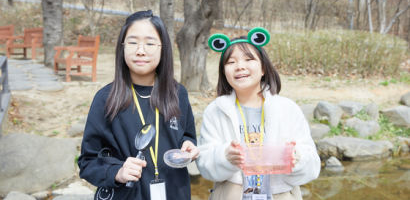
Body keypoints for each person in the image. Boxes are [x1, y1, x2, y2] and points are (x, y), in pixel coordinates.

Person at [78, 10, 199, 200]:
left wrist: (188, 146)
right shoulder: (106, 99)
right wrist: (117, 172)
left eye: (150, 43)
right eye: (133, 42)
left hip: (174, 193)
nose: (140, 50)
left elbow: (187, 136)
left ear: (163, 48)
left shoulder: (178, 94)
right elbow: (88, 162)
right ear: (122, 47)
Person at [196, 27, 320, 200]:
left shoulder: (287, 109)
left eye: (249, 59)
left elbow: (313, 166)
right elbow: (204, 164)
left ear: (263, 68)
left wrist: (296, 158)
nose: (240, 67)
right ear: (224, 72)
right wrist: (225, 157)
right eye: (231, 62)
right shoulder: (215, 111)